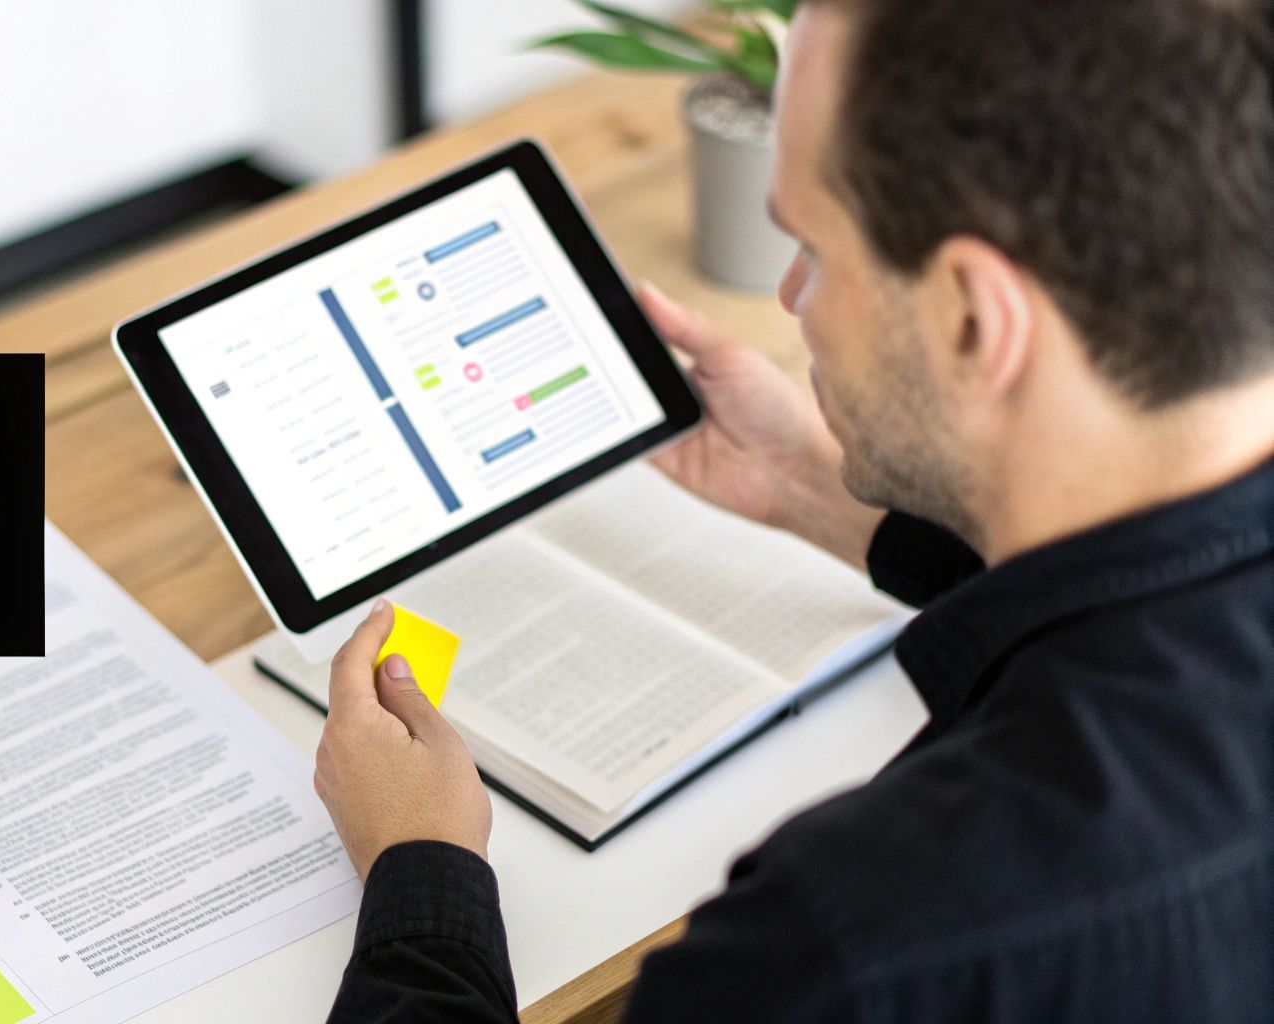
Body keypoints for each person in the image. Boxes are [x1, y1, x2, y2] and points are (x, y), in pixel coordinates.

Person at [312, 0, 1274, 1020]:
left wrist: (418, 865)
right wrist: (813, 485)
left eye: (811, 246)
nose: (787, 296)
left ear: (968, 317)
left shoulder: (851, 944)